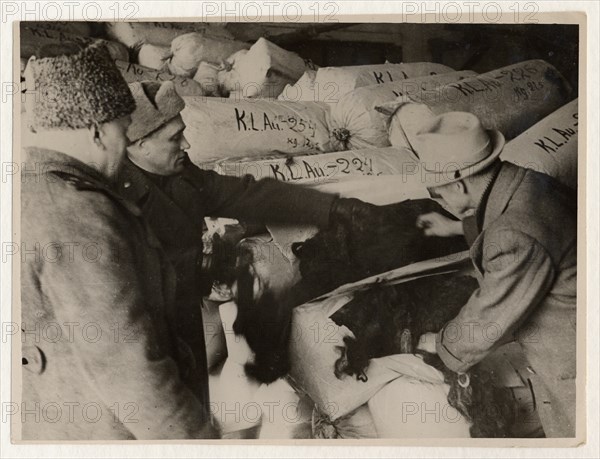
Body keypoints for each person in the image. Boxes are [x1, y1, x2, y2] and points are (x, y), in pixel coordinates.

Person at [117, 80, 380, 423]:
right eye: (174, 138)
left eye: (184, 132)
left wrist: (332, 209)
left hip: (183, 321)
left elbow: (246, 194)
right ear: (140, 144)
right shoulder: (113, 199)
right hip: (140, 338)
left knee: (193, 411)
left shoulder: (181, 175)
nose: (188, 143)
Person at [21, 42, 218, 440]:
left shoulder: (28, 189)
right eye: (124, 129)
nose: (125, 143)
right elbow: (126, 364)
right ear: (97, 129)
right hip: (106, 429)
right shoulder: (75, 212)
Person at [413, 110, 577, 438]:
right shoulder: (531, 182)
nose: (440, 200)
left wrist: (441, 344)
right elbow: (516, 214)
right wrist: (458, 226)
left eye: (438, 193)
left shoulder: (514, 235)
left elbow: (485, 322)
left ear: (458, 183)